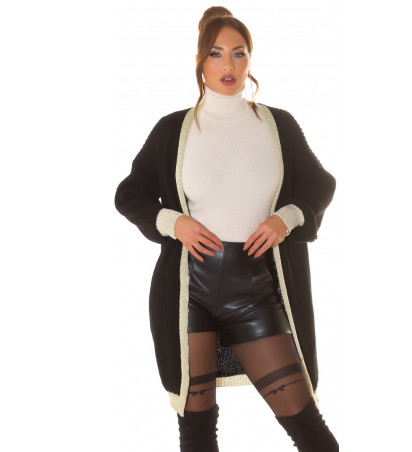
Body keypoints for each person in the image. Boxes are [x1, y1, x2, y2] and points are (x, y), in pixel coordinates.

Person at [114, 6, 339, 451]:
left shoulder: (277, 125)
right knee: (197, 433)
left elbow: (320, 184)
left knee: (311, 432)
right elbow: (129, 194)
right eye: (216, 53)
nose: (229, 64)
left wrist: (286, 217)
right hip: (188, 292)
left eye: (239, 53)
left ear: (250, 59)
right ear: (201, 60)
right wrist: (173, 222)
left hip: (255, 290)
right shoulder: (172, 130)